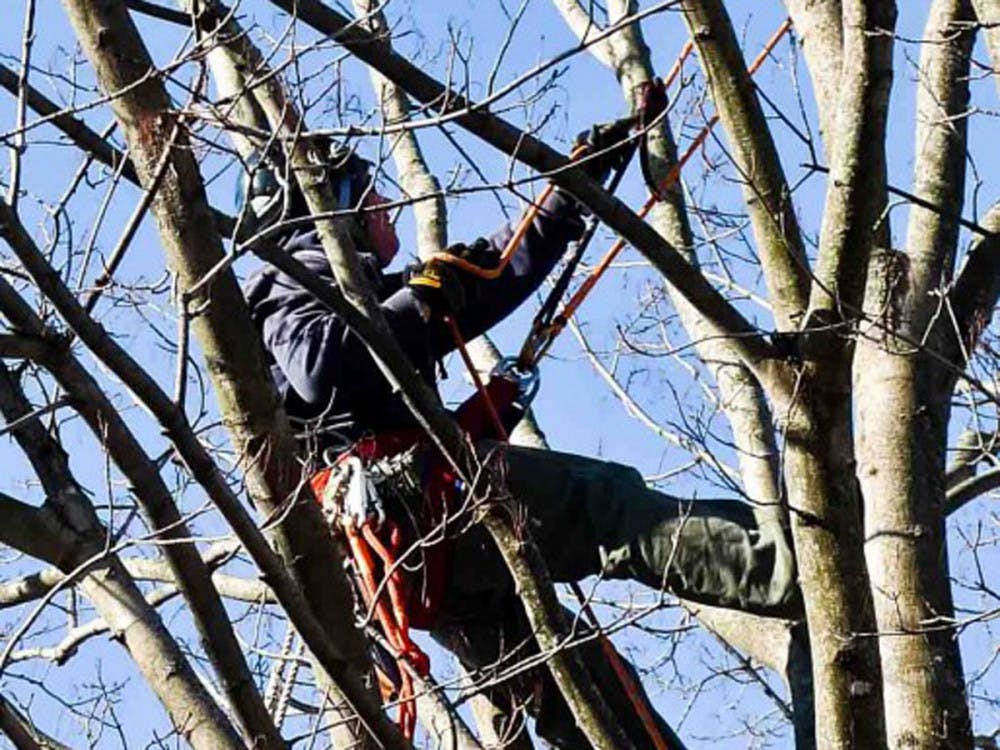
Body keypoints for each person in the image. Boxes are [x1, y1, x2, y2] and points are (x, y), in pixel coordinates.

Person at [242, 131, 800, 749]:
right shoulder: (299, 273)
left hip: (421, 559)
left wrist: (569, 196)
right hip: (417, 510)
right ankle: (792, 573)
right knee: (605, 506)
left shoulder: (357, 299)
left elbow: (492, 273)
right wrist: (418, 302)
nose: (385, 204)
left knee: (579, 682)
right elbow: (323, 369)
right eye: (371, 192)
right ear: (336, 204)